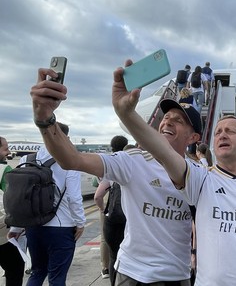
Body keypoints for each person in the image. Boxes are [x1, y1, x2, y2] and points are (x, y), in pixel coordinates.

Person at [110, 59, 236, 285]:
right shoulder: (201, 177)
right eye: (217, 132)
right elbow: (164, 151)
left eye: (230, 131)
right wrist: (127, 114)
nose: (222, 135)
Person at [30, 66, 200, 285]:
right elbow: (72, 159)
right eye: (166, 117)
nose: (167, 121)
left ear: (194, 136)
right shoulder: (133, 161)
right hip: (132, 274)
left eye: (178, 120)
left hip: (177, 276)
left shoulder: (199, 175)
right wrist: (44, 118)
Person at [21, 123, 86, 286]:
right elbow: (73, 197)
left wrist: (16, 228)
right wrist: (80, 223)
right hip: (61, 227)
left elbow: (20, 195)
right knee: (57, 278)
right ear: (65, 137)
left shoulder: (26, 159)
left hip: (33, 226)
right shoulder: (70, 162)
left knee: (37, 273)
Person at [93, 135, 129, 285]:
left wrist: (103, 210)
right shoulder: (128, 162)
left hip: (111, 204)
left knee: (105, 240)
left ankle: (105, 268)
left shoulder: (108, 162)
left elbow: (97, 194)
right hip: (128, 207)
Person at [0, 136, 25, 286]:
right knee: (15, 267)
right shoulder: (4, 169)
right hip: (1, 232)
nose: (8, 152)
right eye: (5, 148)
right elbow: (13, 199)